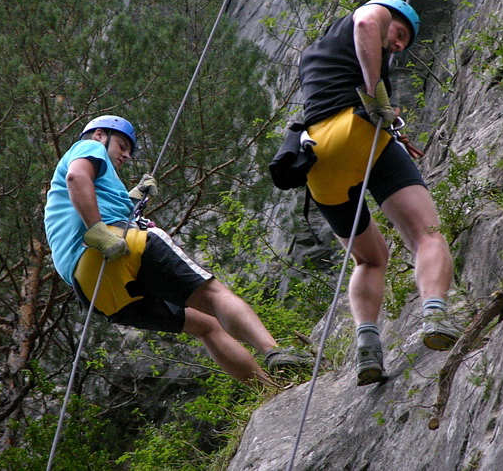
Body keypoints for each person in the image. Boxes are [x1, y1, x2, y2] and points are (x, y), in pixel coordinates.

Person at [44, 115, 310, 386]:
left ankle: (270, 389)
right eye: (122, 145)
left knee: (206, 325)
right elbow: (77, 177)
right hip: (116, 244)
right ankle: (274, 352)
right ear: (101, 135)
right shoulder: (89, 147)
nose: (126, 155)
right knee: (214, 295)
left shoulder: (91, 187)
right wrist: (97, 229)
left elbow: (92, 197)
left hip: (94, 286)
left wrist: (132, 199)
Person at [297, 0, 460, 386]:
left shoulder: (315, 54)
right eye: (401, 34)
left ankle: (366, 345)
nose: (399, 45)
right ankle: (435, 311)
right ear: (394, 16)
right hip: (356, 130)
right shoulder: (376, 13)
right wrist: (374, 94)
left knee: (369, 259)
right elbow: (368, 23)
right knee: (427, 235)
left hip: (316, 158)